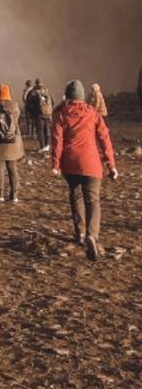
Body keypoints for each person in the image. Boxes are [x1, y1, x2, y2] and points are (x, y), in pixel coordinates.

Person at [51, 79, 117, 261]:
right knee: (93, 200)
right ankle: (92, 235)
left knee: (75, 194)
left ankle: (79, 233)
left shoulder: (60, 114)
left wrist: (55, 164)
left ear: (67, 96)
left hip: (69, 163)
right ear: (81, 96)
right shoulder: (93, 113)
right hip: (91, 163)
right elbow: (105, 138)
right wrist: (111, 165)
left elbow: (57, 140)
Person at [30, 79, 53, 152]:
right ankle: (47, 145)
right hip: (48, 114)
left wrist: (32, 113)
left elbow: (29, 103)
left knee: (40, 131)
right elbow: (53, 101)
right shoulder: (47, 92)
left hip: (38, 115)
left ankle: (42, 147)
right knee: (47, 130)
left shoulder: (34, 92)